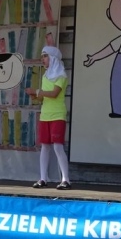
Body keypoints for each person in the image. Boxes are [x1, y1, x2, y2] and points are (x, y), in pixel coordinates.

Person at [26, 46, 71, 190]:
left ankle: (66, 179)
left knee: (57, 146)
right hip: (45, 115)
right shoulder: (45, 76)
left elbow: (54, 94)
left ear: (53, 58)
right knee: (45, 146)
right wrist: (35, 96)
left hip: (58, 114)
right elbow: (44, 97)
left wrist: (37, 91)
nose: (43, 59)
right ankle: (43, 178)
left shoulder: (61, 75)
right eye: (42, 56)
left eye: (45, 56)